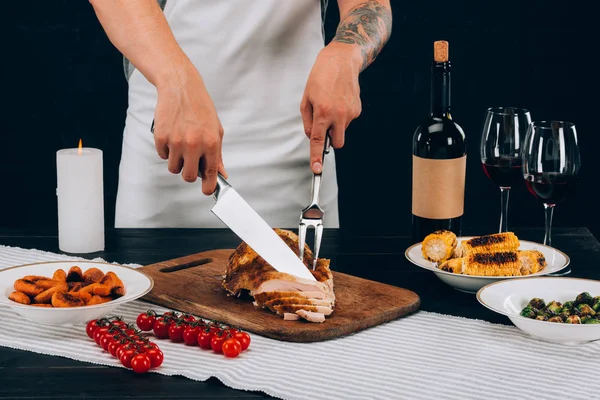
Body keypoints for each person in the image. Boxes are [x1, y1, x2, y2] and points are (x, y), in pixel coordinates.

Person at [89, 0, 392, 228]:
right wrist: (176, 77)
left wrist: (346, 53)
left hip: (298, 169)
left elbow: (370, 5)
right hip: (169, 162)